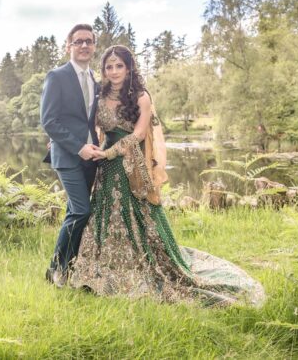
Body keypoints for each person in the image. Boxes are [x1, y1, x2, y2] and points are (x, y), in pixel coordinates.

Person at [69, 45, 265, 306]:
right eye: (109, 67)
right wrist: (71, 142)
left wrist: (109, 153)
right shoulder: (100, 94)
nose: (114, 71)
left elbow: (138, 134)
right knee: (105, 213)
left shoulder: (141, 96)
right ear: (103, 70)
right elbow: (90, 125)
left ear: (129, 68)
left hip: (131, 165)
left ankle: (148, 266)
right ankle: (105, 269)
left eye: (119, 66)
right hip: (105, 168)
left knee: (136, 215)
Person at [41, 23, 101, 286]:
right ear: (69, 46)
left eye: (89, 41)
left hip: (92, 157)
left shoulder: (94, 80)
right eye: (79, 41)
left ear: (94, 46)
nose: (84, 45)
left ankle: (63, 267)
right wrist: (79, 147)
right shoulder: (57, 76)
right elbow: (49, 121)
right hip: (68, 156)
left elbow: (90, 120)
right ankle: (58, 270)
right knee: (81, 211)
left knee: (73, 211)